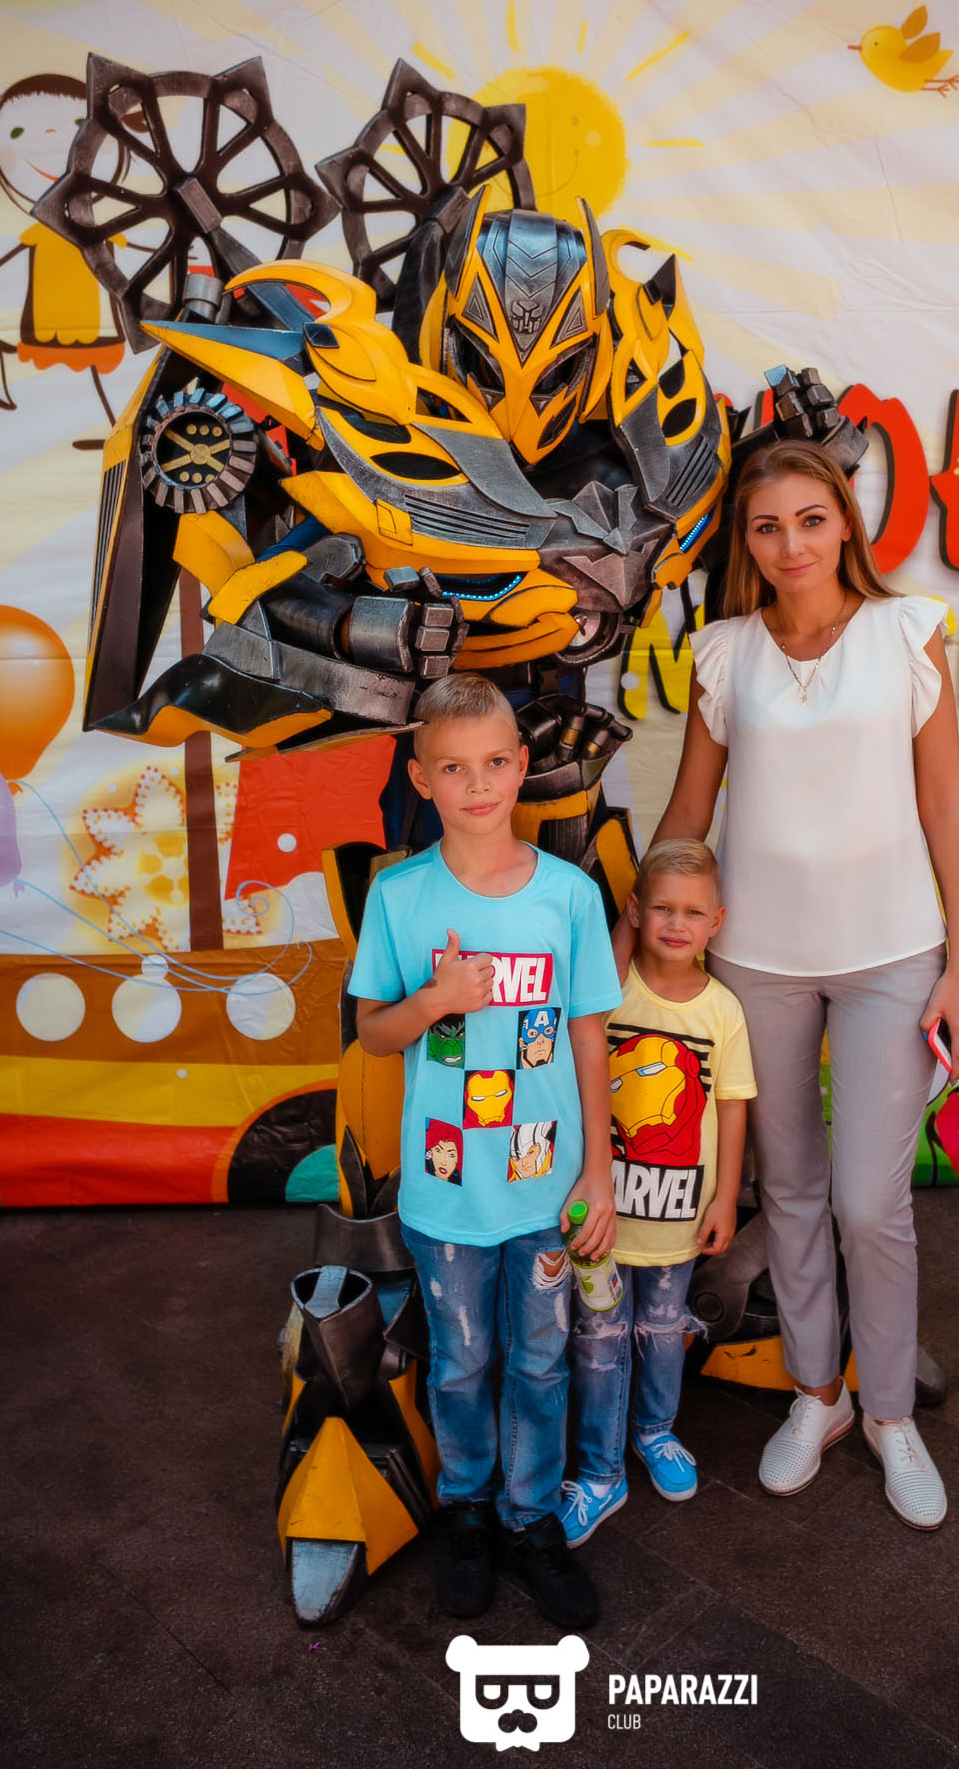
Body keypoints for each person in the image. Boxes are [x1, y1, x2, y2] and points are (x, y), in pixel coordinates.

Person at [629, 438, 959, 1530]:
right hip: (755, 963)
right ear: (746, 541)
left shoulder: (908, 631)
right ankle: (817, 1394)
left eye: (810, 519)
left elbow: (944, 806)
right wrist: (638, 929)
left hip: (892, 956)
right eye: (767, 526)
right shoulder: (725, 651)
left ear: (844, 523)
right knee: (785, 1191)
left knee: (869, 1204)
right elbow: (690, 812)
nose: (791, 544)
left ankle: (889, 1415)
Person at [350, 671, 621, 1629]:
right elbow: (373, 1033)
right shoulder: (399, 895)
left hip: (547, 1190)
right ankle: (466, 1511)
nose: (478, 784)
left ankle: (529, 1518)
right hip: (446, 1195)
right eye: (455, 768)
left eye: (496, 763)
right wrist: (435, 1001)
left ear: (520, 765)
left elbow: (588, 1033)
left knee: (541, 1361)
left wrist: (599, 1170)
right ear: (421, 778)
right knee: (460, 1364)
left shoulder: (569, 895)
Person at [562, 839, 755, 1545]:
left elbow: (732, 1105)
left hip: (678, 1219)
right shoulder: (608, 992)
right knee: (598, 1337)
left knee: (662, 1329)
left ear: (716, 922)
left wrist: (725, 1198)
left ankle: (655, 1431)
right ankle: (597, 1470)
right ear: (636, 911)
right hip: (601, 1221)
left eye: (694, 912)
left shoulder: (723, 1011)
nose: (677, 923)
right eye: (663, 908)